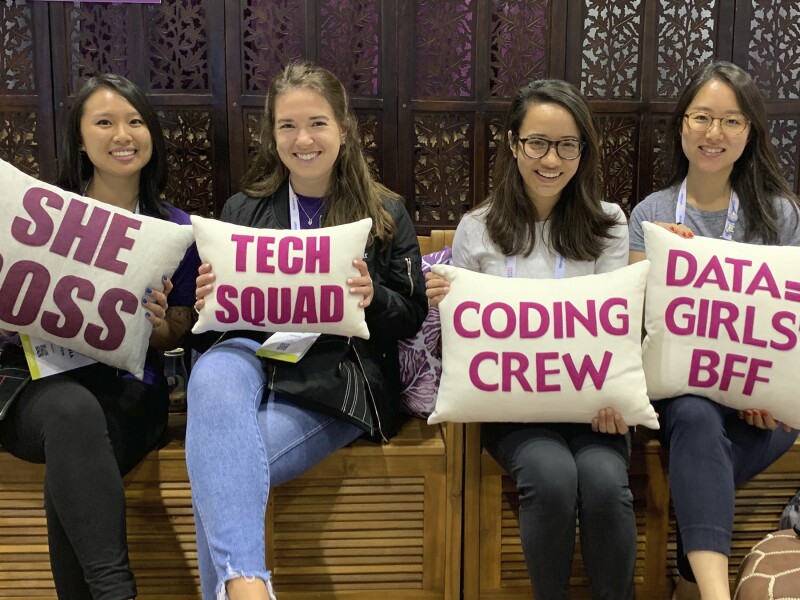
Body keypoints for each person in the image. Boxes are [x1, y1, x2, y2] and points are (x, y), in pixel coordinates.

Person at [186, 61, 427, 600]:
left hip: (336, 379)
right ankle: (249, 587)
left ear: (344, 128)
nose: (303, 139)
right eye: (287, 126)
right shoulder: (243, 209)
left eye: (317, 123)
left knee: (221, 477)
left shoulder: (385, 212)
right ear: (272, 137)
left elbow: (411, 313)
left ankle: (243, 588)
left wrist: (373, 297)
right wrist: (206, 301)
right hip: (253, 360)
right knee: (212, 371)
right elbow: (212, 331)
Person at [426, 79, 635, 599]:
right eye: (537, 142)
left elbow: (620, 327)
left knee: (606, 483)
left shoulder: (609, 223)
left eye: (567, 145)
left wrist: (615, 399)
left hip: (595, 410)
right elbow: (467, 340)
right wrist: (445, 304)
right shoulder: (477, 227)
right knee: (552, 476)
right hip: (511, 410)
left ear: (582, 153)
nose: (551, 159)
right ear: (514, 143)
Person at [0, 74, 200, 599]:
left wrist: (159, 325)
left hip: (129, 394)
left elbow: (178, 328)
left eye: (135, 121)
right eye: (105, 122)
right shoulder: (38, 212)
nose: (123, 134)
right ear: (81, 138)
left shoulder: (175, 228)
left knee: (75, 448)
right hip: (33, 386)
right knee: (70, 412)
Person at [628, 61, 800, 600]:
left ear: (750, 132)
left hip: (763, 406)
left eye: (731, 121)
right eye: (702, 117)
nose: (714, 133)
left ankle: (690, 580)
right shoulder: (651, 214)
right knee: (698, 416)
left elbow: (790, 324)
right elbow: (636, 323)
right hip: (683, 398)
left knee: (707, 442)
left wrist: (763, 392)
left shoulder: (779, 215)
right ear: (681, 124)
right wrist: (665, 260)